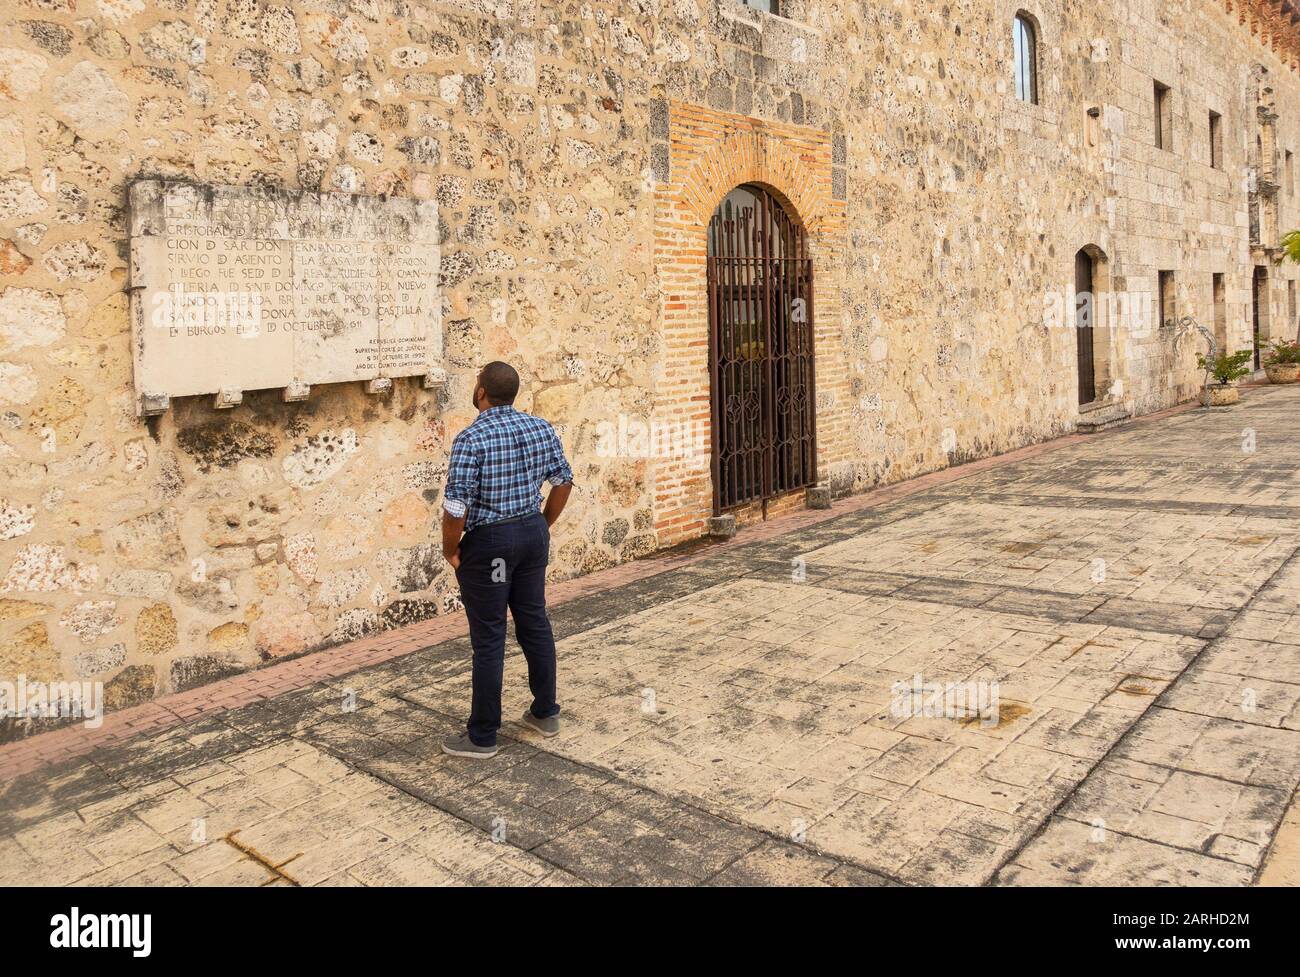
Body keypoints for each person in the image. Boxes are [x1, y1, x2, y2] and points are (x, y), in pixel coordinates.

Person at [439, 361, 574, 758]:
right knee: (534, 620)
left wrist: (450, 548)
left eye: (476, 382)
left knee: (490, 637)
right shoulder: (540, 428)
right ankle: (545, 712)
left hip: (491, 542)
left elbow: (456, 504)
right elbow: (564, 479)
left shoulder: (471, 438)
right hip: (531, 533)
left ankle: (482, 736)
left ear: (482, 391)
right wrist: (542, 524)